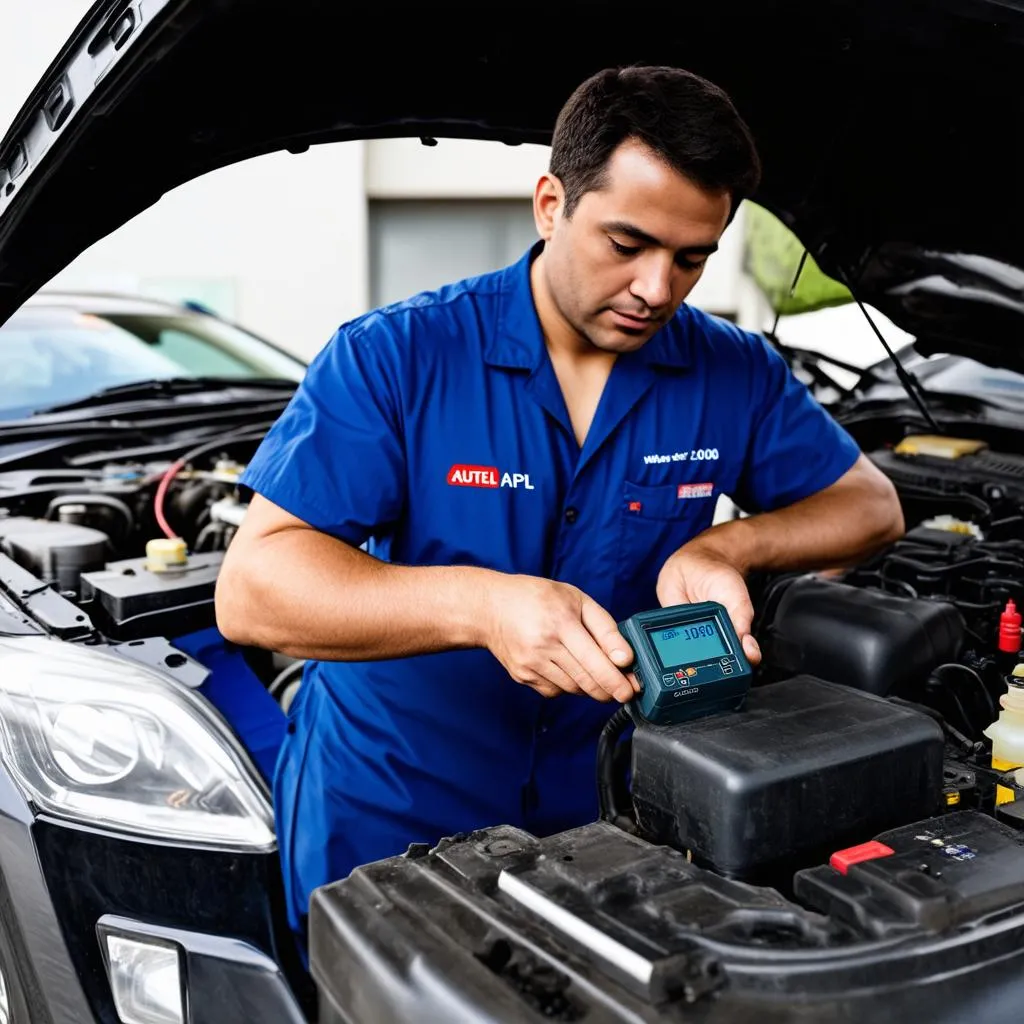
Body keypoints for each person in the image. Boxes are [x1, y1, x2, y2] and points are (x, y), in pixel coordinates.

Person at [215, 65, 904, 940]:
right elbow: (253, 590)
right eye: (628, 244)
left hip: (614, 811)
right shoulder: (397, 355)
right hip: (392, 809)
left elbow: (869, 507)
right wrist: (482, 605)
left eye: (691, 258)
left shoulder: (734, 371)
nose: (658, 288)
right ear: (551, 204)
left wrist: (729, 549)